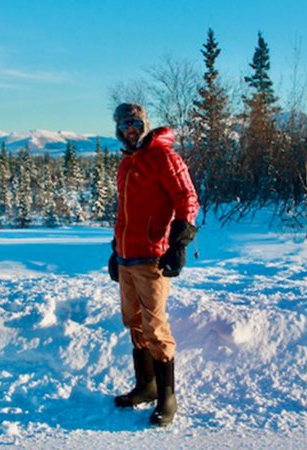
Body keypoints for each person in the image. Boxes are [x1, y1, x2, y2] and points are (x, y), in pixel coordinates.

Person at [108, 103, 199, 427]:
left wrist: (178, 244)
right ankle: (145, 386)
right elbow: (124, 213)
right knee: (133, 322)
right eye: (123, 125)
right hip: (127, 256)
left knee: (155, 327)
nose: (129, 129)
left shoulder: (164, 156)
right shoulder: (127, 163)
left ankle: (167, 398)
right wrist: (114, 250)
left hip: (152, 257)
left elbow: (187, 198)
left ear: (144, 124)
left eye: (134, 123)